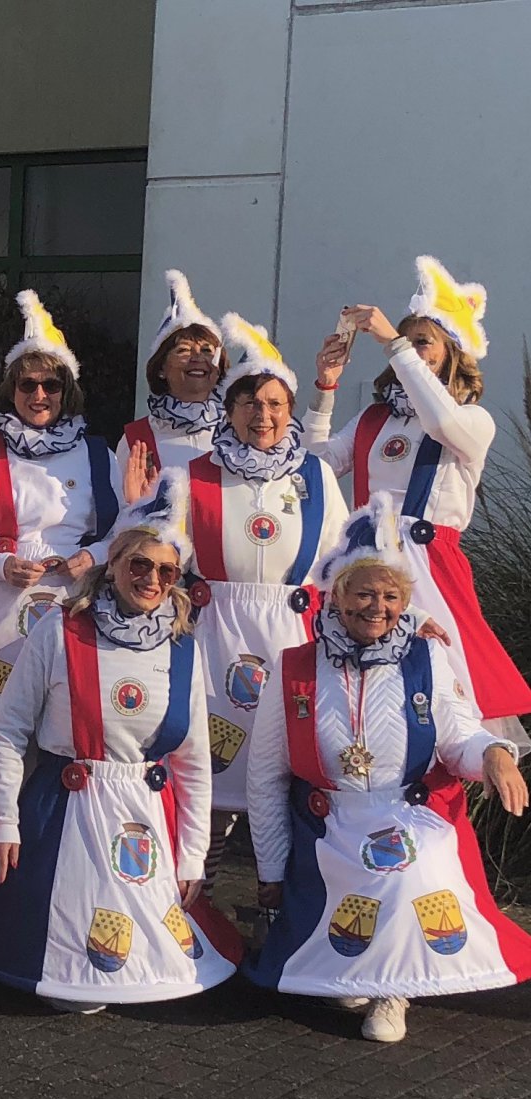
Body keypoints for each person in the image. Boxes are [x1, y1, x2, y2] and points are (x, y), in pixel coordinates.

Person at [242, 495, 531, 1042]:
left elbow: (458, 737)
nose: (378, 607)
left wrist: (494, 752)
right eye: (364, 593)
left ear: (405, 602)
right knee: (347, 897)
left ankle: (391, 990)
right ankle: (357, 968)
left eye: (391, 596)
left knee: (406, 870)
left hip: (406, 816)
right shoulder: (294, 665)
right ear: (336, 595)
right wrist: (271, 872)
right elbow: (266, 776)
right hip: (329, 827)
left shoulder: (428, 657)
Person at [0, 473, 241, 1011]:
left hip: (145, 823)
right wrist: (2, 821)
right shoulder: (59, 630)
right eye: (139, 564)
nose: (151, 579)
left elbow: (194, 763)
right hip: (63, 817)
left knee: (154, 973)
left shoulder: (184, 649)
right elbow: (10, 731)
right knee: (70, 985)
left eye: (166, 571)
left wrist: (191, 857)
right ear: (114, 563)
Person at [303, 256, 531, 728]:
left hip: (432, 568)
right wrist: (325, 388)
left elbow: (441, 420)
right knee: (364, 683)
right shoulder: (373, 419)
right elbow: (313, 468)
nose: (408, 348)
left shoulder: (473, 420)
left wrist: (393, 342)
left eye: (421, 341)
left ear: (452, 353)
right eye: (405, 340)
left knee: (443, 685)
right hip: (368, 561)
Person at [0, 290, 121, 728]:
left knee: (67, 720)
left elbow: (126, 532)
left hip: (77, 606)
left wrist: (93, 557)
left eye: (51, 385)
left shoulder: (99, 454)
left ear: (67, 391)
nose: (39, 394)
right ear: (11, 390)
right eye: (27, 385)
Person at [184, 314, 345, 814]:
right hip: (214, 636)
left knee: (286, 759)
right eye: (250, 403)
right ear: (229, 409)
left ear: (290, 411)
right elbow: (162, 553)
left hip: (292, 635)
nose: (263, 415)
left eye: (275, 404)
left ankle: (271, 865)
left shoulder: (315, 474)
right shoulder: (194, 474)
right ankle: (207, 860)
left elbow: (342, 560)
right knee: (210, 763)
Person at [121, 270, 224, 483]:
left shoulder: (239, 431)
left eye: (207, 351)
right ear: (161, 368)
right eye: (184, 350)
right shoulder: (137, 438)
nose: (198, 358)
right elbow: (122, 501)